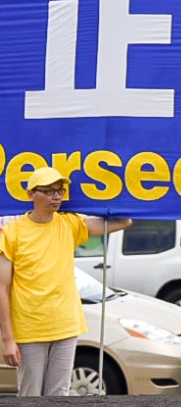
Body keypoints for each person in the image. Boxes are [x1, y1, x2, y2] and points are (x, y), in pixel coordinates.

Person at [0, 167, 132, 397]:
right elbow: (2, 288)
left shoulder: (69, 224)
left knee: (60, 395)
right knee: (31, 395)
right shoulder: (11, 232)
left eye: (60, 191)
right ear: (31, 194)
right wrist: (8, 339)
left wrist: (116, 199)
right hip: (30, 327)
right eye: (48, 191)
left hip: (65, 324)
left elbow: (123, 222)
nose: (56, 197)